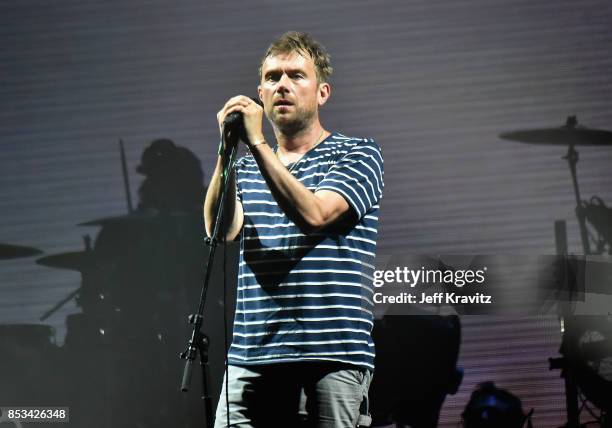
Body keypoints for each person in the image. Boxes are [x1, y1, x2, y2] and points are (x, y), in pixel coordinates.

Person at [204, 31, 384, 428]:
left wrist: (258, 144)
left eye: (296, 76)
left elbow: (317, 215)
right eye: (272, 77)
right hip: (251, 359)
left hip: (329, 358)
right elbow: (222, 231)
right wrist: (226, 151)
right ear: (260, 93)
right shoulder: (249, 166)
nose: (282, 85)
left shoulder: (358, 153)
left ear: (322, 92)